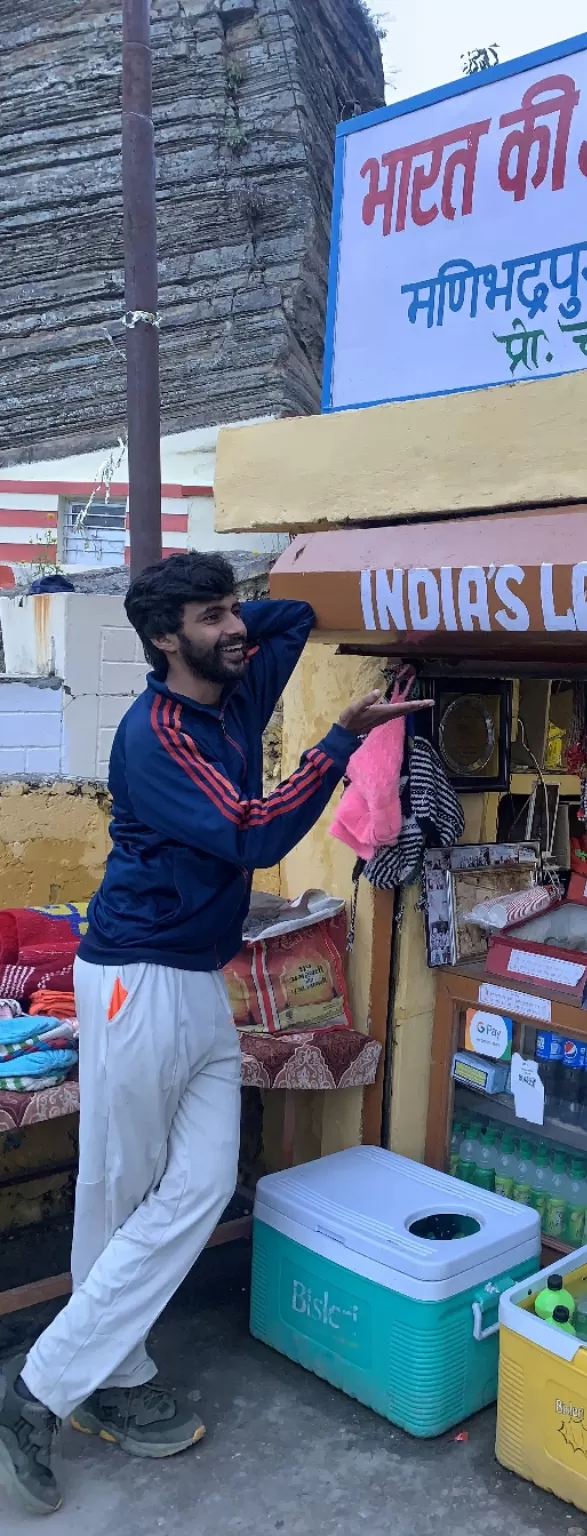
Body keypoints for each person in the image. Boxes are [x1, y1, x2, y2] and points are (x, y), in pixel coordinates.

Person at [0, 553, 431, 1517]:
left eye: (234, 608)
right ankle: (96, 1378)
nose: (239, 628)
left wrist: (232, 609)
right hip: (134, 977)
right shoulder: (155, 735)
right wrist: (335, 745)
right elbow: (251, 831)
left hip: (198, 980)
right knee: (118, 1185)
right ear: (163, 640)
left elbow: (300, 612)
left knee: (197, 1186)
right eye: (210, 616)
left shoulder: (238, 682)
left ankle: (44, 1381)